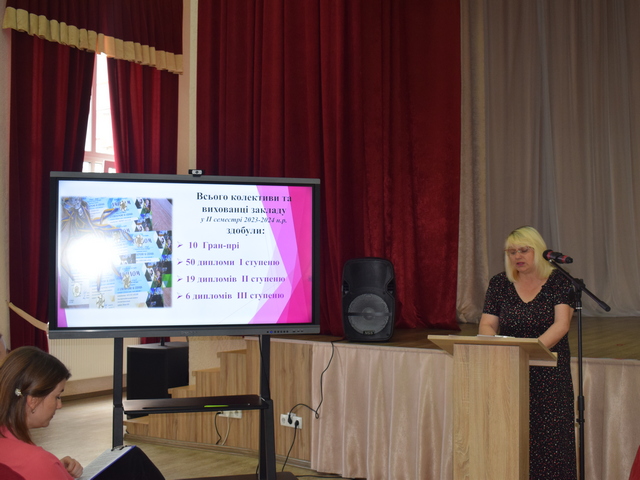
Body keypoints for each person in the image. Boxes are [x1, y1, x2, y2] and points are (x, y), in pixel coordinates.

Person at [478, 225, 576, 480]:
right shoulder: (500, 283)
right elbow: (487, 324)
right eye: (511, 252)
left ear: (539, 251)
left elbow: (561, 325)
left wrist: (531, 353)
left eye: (523, 250)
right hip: (509, 371)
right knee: (512, 437)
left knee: (551, 441)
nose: (517, 256)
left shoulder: (559, 281)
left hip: (549, 372)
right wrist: (498, 349)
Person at [0, 346, 84, 479]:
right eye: (57, 397)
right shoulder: (37, 462)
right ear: (33, 400)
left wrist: (57, 470)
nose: (59, 405)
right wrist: (51, 470)